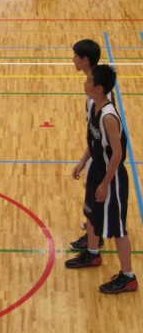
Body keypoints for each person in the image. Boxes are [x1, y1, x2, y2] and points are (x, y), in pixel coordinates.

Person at [65, 65, 138, 294]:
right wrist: (82, 161)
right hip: (97, 169)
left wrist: (106, 183)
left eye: (88, 81)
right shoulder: (94, 105)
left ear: (99, 88)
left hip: (112, 177)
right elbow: (94, 142)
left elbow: (117, 153)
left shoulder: (108, 116)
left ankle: (128, 277)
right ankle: (93, 253)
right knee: (92, 214)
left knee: (117, 229)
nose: (84, 83)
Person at [68, 40, 107, 252]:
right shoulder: (95, 84)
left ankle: (96, 236)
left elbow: (99, 133)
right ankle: (95, 229)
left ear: (85, 60)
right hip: (96, 149)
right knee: (90, 190)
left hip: (101, 152)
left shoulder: (97, 94)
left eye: (75, 56)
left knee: (94, 195)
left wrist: (86, 159)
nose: (72, 60)